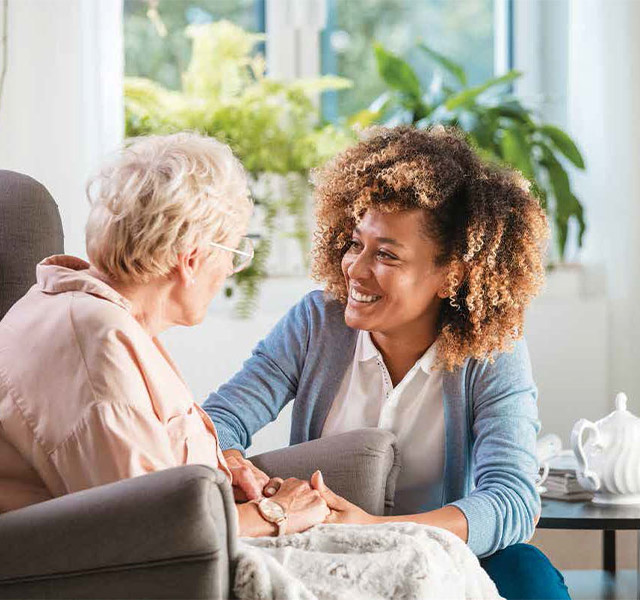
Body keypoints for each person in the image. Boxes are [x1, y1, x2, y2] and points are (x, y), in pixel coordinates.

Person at [204, 126, 571, 599]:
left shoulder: (491, 350)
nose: (355, 268)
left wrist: (381, 528)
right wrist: (235, 466)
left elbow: (512, 499)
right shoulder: (317, 322)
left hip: (442, 555)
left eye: (386, 255)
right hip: (326, 555)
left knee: (527, 573)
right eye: (356, 243)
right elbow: (220, 420)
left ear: (451, 275)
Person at [0, 132, 329, 537]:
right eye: (232, 253)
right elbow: (151, 532)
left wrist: (223, 473)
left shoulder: (83, 308)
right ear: (191, 260)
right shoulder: (98, 346)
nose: (229, 270)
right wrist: (276, 514)